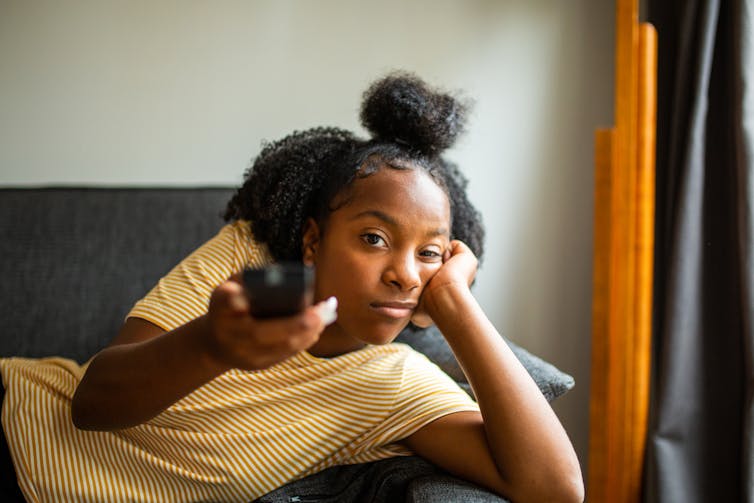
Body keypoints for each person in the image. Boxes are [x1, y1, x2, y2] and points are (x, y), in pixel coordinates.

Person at [0, 72, 583, 502]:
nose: (406, 272)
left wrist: (454, 302)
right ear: (312, 242)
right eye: (375, 238)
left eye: (429, 255)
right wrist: (213, 345)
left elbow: (557, 489)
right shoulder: (245, 259)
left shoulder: (396, 387)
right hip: (15, 418)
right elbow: (92, 404)